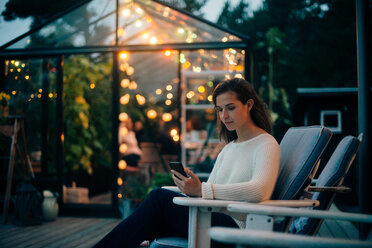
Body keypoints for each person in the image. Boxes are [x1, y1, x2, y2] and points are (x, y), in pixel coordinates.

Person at [93, 78, 280, 248]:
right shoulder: (230, 148)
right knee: (148, 221)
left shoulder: (266, 144)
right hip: (210, 218)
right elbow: (208, 192)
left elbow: (259, 190)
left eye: (230, 108)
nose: (224, 116)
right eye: (219, 110)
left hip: (235, 228)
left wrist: (201, 190)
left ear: (248, 105)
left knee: (158, 199)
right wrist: (192, 186)